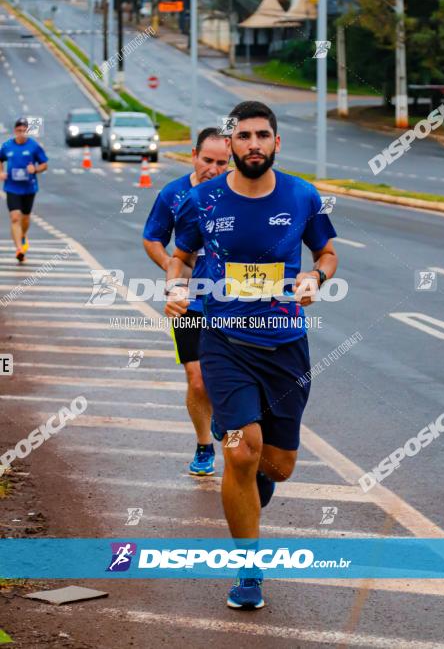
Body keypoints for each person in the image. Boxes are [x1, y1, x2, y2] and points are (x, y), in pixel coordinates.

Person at [165, 101, 338, 609]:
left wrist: (316, 276)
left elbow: (327, 251)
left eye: (263, 135)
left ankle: (254, 476)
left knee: (278, 466)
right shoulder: (204, 200)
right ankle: (248, 568)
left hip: (285, 344)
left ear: (276, 143)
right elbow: (181, 256)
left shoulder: (303, 196)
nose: (254, 144)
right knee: (240, 449)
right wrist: (176, 287)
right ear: (232, 143)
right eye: (244, 137)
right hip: (225, 342)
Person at [143, 127, 230, 476]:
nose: (213, 168)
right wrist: (175, 272)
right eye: (207, 160)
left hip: (229, 303)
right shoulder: (173, 193)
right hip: (190, 303)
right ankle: (204, 445)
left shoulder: (237, 194)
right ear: (194, 154)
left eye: (222, 163)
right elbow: (152, 240)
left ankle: (226, 416)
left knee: (224, 377)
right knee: (196, 378)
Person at [0, 117, 48, 262]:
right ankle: (19, 249)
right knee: (15, 218)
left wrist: (35, 169)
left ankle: (22, 235)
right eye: (19, 130)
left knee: (25, 218)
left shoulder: (34, 146)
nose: (21, 133)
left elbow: (44, 164)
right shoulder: (7, 146)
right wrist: (1, 172)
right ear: (15, 131)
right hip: (12, 187)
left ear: (27, 131)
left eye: (24, 130)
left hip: (29, 187)